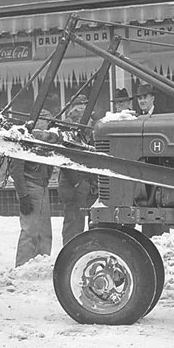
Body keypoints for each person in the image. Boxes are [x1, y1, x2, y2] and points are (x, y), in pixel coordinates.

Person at [9, 118, 54, 267]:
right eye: (43, 123)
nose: (45, 128)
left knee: (45, 232)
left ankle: (42, 265)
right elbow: (16, 170)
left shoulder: (44, 143)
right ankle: (22, 267)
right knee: (30, 232)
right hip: (30, 187)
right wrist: (23, 195)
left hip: (41, 187)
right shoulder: (23, 140)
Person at [57, 102, 98, 245]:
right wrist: (78, 183)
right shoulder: (68, 136)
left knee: (94, 223)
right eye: (89, 120)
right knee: (74, 224)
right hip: (73, 186)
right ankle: (71, 252)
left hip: (87, 186)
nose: (92, 123)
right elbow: (65, 162)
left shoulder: (89, 136)